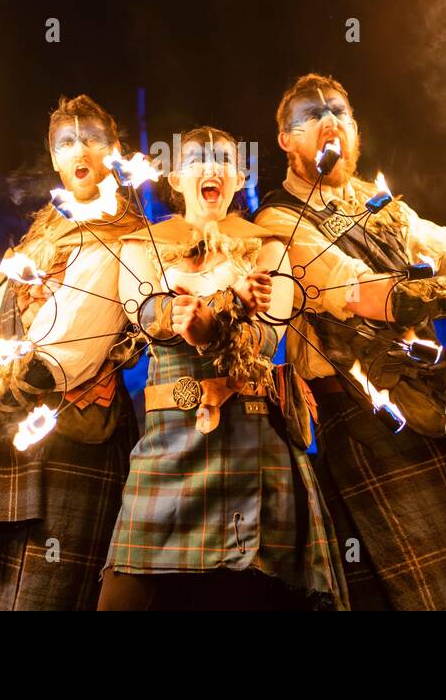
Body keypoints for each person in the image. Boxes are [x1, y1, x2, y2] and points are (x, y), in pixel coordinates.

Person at [254, 72, 446, 610]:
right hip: (362, 412)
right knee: (418, 591)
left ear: (355, 128)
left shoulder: (382, 202)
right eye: (310, 116)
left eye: (340, 112)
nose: (329, 121)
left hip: (432, 396)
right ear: (286, 140)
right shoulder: (279, 221)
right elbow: (373, 296)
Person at [97, 126, 347, 611]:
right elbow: (141, 311)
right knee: (121, 600)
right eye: (196, 159)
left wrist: (219, 324)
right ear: (174, 175)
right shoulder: (141, 245)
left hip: (250, 438)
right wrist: (181, 314)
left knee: (241, 596)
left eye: (222, 161)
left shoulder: (269, 247)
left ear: (239, 177)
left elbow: (268, 336)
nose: (210, 169)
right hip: (166, 448)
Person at [0, 95, 143, 610]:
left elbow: (54, 363)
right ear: (52, 158)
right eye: (66, 142)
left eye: (92, 138)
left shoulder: (121, 239)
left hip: (73, 438)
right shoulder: (43, 231)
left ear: (113, 150)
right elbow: (1, 313)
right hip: (14, 444)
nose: (80, 149)